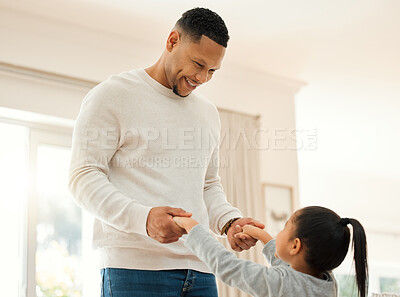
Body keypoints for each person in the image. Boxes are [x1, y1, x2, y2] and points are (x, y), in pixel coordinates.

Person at [68, 7, 263, 297]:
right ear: (172, 41)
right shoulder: (113, 95)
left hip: (202, 267)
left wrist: (229, 222)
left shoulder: (208, 114)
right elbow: (82, 177)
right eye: (198, 63)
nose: (203, 78)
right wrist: (143, 219)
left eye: (212, 70)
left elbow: (207, 185)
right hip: (134, 270)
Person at [173, 206, 369, 297]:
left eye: (285, 228)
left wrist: (194, 229)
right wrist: (262, 235)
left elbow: (229, 267)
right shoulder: (325, 282)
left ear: (295, 246)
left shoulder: (283, 284)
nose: (280, 233)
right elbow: (290, 269)